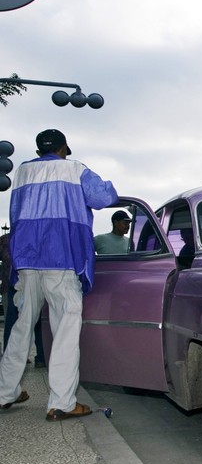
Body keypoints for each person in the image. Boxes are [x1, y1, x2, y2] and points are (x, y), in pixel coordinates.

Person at [0, 129, 118, 420]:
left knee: (20, 329)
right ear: (65, 147)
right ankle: (61, 403)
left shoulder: (23, 172)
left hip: (27, 260)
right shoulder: (74, 169)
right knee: (65, 330)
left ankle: (5, 393)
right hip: (61, 258)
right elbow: (104, 197)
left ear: (39, 150)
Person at [1, 231, 45, 368]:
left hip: (13, 283)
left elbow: (7, 259)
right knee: (36, 321)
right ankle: (41, 358)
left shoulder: (5, 239)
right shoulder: (37, 235)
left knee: (13, 321)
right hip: (35, 282)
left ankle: (12, 358)